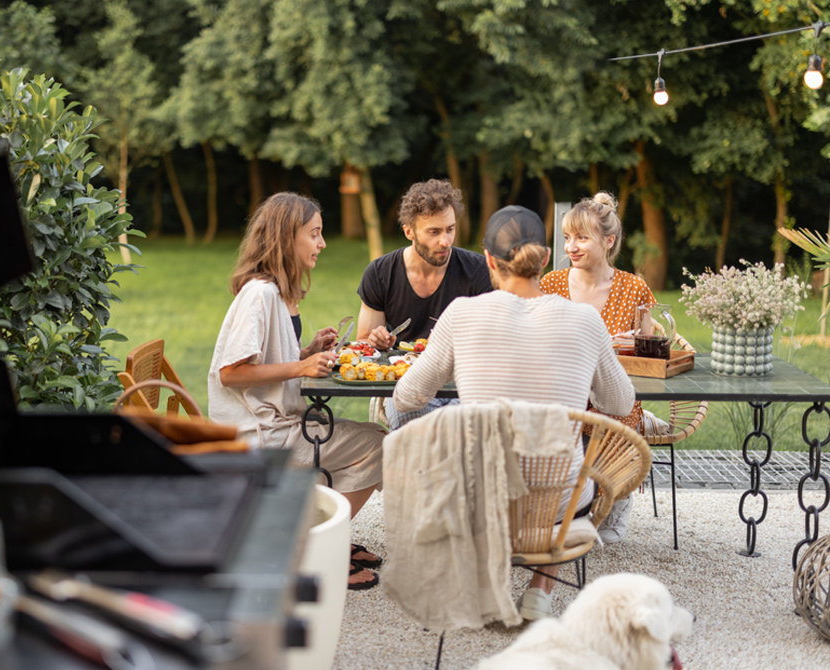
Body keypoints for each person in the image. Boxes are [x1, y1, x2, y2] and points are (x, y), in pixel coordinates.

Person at [391, 205, 635, 621]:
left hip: (477, 499)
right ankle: (540, 590)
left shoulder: (461, 314)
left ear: (488, 260)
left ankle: (485, 582)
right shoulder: (585, 321)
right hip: (558, 504)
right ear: (545, 259)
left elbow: (406, 397)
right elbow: (621, 405)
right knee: (565, 471)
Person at [208, 192, 386, 590]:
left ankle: (323, 532)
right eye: (315, 234)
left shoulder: (274, 292)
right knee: (379, 446)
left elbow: (264, 362)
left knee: (369, 438)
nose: (322, 243)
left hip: (275, 424)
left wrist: (306, 351)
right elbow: (231, 373)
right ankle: (315, 547)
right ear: (287, 237)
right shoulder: (261, 294)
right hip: (258, 437)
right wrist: (301, 366)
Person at [540, 191, 657, 544]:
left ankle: (616, 496)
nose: (571, 247)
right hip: (564, 398)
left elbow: (646, 359)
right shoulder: (551, 284)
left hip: (613, 401)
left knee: (618, 417)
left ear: (608, 241)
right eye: (566, 238)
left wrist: (630, 344)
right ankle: (564, 505)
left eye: (581, 238)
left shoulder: (634, 288)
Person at [355, 179, 492, 428]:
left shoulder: (477, 271)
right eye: (434, 232)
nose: (446, 241)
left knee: (467, 431)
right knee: (418, 437)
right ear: (409, 232)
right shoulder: (380, 273)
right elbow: (364, 345)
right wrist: (376, 340)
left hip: (462, 388)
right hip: (406, 387)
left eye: (450, 229)